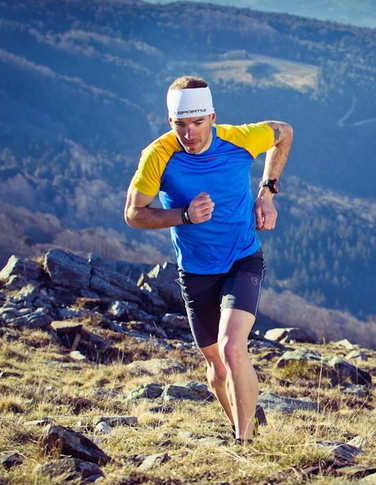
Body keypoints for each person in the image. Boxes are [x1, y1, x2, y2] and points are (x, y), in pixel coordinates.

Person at [124, 75, 293, 442]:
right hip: (196, 272)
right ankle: (244, 422)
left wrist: (267, 192)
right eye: (181, 125)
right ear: (171, 122)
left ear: (212, 117)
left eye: (198, 122)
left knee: (234, 348)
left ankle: (246, 444)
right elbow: (134, 214)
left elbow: (284, 132)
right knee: (217, 368)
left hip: (241, 260)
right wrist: (183, 215)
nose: (190, 133)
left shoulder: (240, 139)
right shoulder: (158, 155)